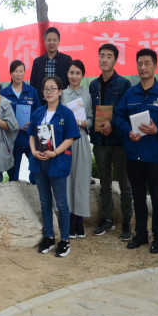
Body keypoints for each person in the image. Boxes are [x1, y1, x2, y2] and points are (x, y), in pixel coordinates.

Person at [115, 48, 158, 254]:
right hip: (134, 154)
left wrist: (157, 130)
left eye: (147, 63)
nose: (143, 67)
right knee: (139, 197)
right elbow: (119, 118)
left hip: (155, 155)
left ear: (155, 66)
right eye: (140, 63)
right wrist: (128, 131)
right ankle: (141, 233)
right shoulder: (129, 94)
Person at [29, 76, 79, 257]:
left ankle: (65, 240)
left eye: (52, 88)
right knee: (44, 202)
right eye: (46, 89)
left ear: (60, 91)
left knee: (61, 203)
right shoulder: (38, 113)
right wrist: (33, 151)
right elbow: (32, 135)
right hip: (39, 162)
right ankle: (49, 237)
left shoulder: (66, 113)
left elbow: (70, 138)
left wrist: (55, 152)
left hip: (57, 162)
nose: (49, 92)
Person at [89, 43, 133, 241]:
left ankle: (127, 222)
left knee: (125, 184)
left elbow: (127, 111)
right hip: (99, 142)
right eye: (102, 56)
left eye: (109, 56)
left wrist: (112, 124)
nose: (104, 59)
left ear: (115, 60)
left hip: (119, 142)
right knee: (104, 184)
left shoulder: (124, 84)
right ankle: (108, 220)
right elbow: (91, 112)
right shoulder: (93, 85)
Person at [61, 60, 93, 238]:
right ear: (67, 74)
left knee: (80, 180)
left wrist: (79, 122)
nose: (74, 76)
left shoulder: (87, 96)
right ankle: (68, 220)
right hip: (64, 141)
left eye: (78, 73)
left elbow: (91, 121)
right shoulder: (61, 94)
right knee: (66, 180)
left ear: (82, 75)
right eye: (71, 72)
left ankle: (79, 221)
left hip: (80, 140)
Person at [0, 60, 40, 181]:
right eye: (15, 71)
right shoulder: (4, 93)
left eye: (21, 71)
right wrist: (10, 124)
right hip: (12, 139)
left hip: (30, 138)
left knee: (36, 172)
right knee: (13, 176)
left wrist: (32, 124)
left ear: (24, 72)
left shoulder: (32, 91)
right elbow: (0, 116)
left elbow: (39, 113)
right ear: (10, 73)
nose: (18, 74)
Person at [29, 26, 72, 103]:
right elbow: (33, 84)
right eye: (49, 40)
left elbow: (70, 83)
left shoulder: (67, 60)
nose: (51, 43)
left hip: (61, 102)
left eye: (54, 40)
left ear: (58, 41)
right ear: (44, 41)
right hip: (42, 103)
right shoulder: (37, 62)